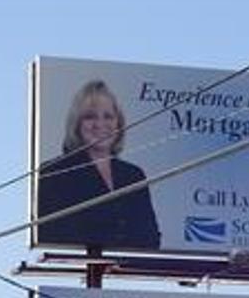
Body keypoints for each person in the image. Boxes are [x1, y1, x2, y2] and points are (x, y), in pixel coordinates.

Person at [36, 79, 161, 250]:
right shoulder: (54, 173)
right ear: (77, 123)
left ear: (118, 122)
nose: (100, 124)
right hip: (76, 265)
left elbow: (150, 237)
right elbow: (52, 234)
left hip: (129, 267)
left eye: (108, 116)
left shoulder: (133, 175)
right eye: (90, 117)